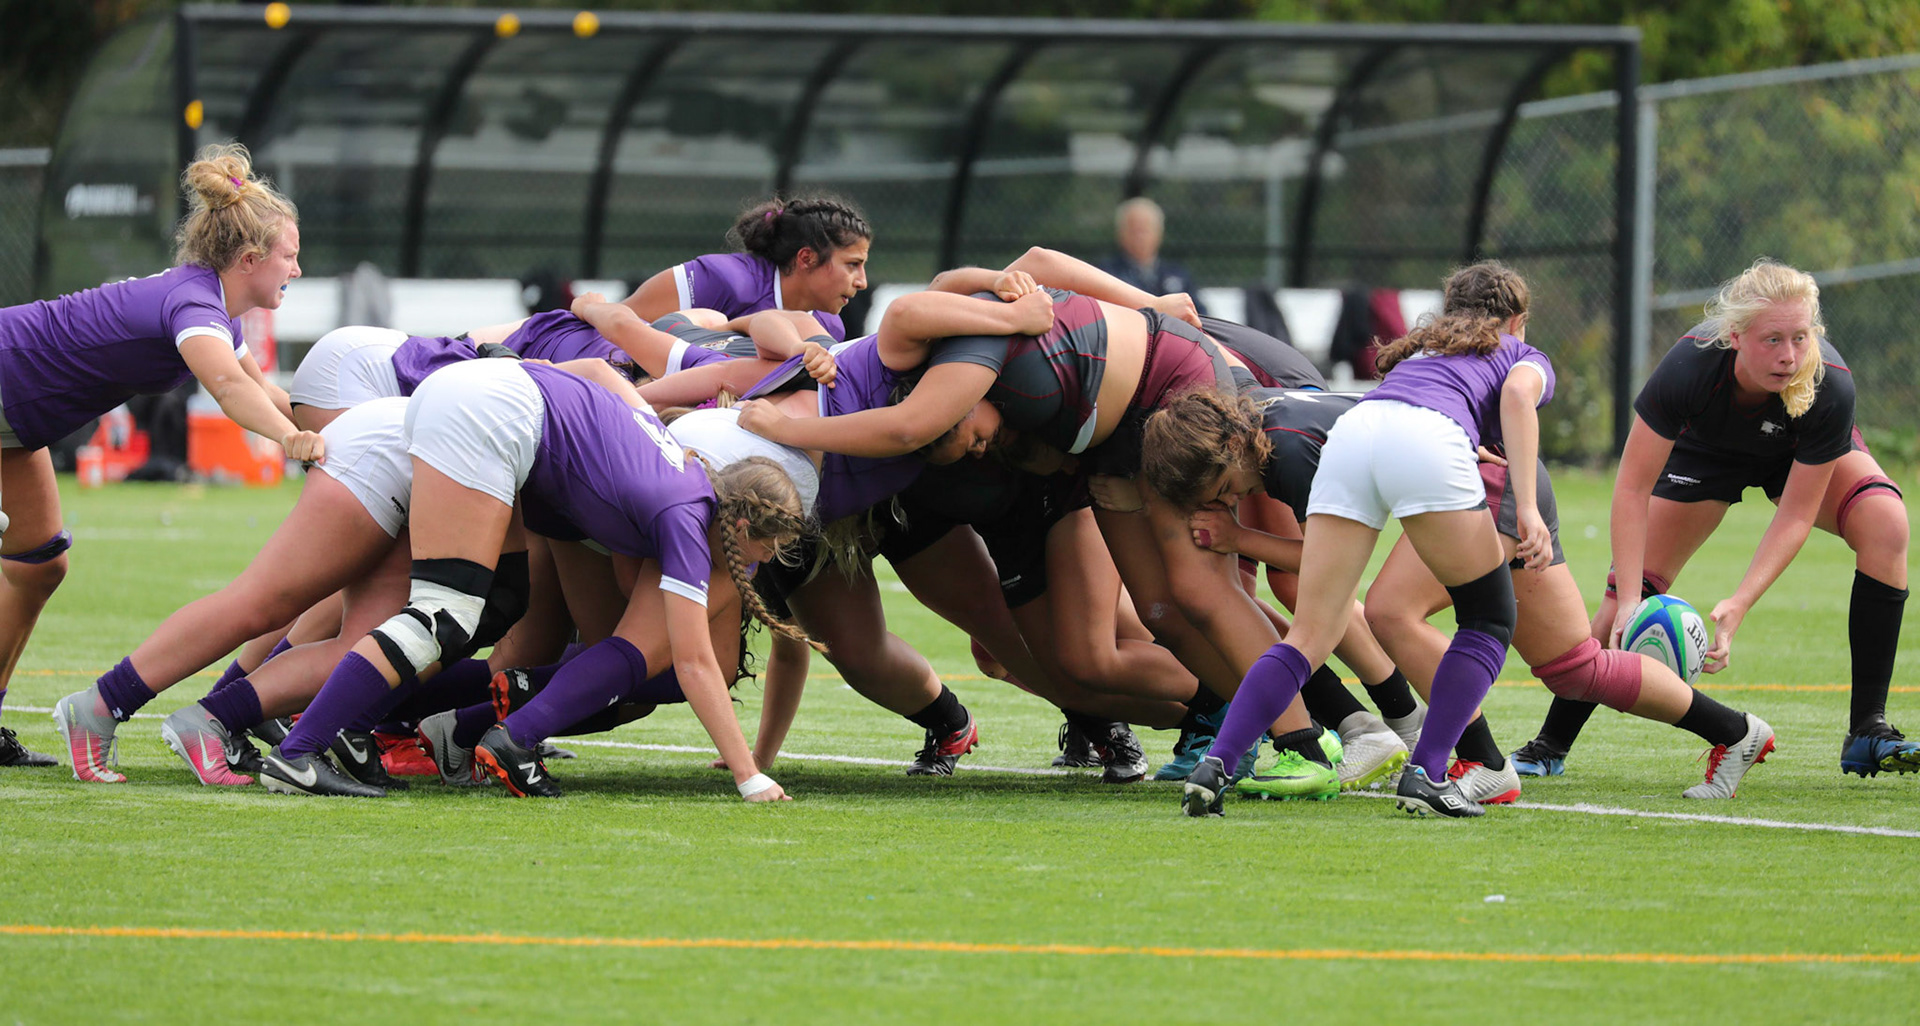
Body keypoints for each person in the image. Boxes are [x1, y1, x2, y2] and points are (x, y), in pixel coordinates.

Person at [252, 358, 801, 801]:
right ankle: (290, 745)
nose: (770, 559)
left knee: (494, 607)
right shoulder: (685, 514)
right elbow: (695, 661)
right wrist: (748, 776)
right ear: (743, 522)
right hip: (492, 413)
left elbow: (591, 374)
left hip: (482, 396)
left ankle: (346, 725)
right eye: (771, 545)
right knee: (443, 616)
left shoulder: (680, 479)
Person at [1174, 260, 1553, 819]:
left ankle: (1217, 766)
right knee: (1488, 618)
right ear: (1517, 319)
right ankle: (1425, 773)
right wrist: (1528, 508)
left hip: (1357, 429)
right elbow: (1519, 400)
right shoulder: (1521, 350)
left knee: (1309, 635)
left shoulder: (1424, 347)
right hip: (1425, 439)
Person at [1510, 259, 1915, 779]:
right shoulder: (1691, 365)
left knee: (1888, 523)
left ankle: (1868, 730)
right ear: (1735, 335)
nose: (1788, 356)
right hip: (1706, 455)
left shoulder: (1827, 382)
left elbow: (1795, 513)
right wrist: (1633, 597)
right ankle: (1550, 746)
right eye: (1771, 339)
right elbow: (1631, 489)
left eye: (1799, 337)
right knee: (1617, 610)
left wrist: (1740, 602)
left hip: (1793, 455)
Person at [24, 143, 325, 775]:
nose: (297, 270)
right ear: (250, 260)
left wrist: (340, 433)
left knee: (38, 567)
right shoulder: (192, 303)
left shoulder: (216, 308)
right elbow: (231, 391)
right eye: (290, 257)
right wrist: (288, 441)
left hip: (16, 421)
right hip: (6, 387)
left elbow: (267, 391)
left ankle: (51, 718)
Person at [620, 196, 871, 342]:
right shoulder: (722, 280)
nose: (862, 282)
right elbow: (615, 328)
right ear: (806, 258)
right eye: (853, 265)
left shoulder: (830, 329)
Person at [1098, 197, 1202, 307]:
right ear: (1120, 234)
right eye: (1134, 231)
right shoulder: (1107, 274)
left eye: (1145, 230)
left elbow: (1199, 314)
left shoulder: (1178, 274)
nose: (1140, 237)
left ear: (1159, 233)